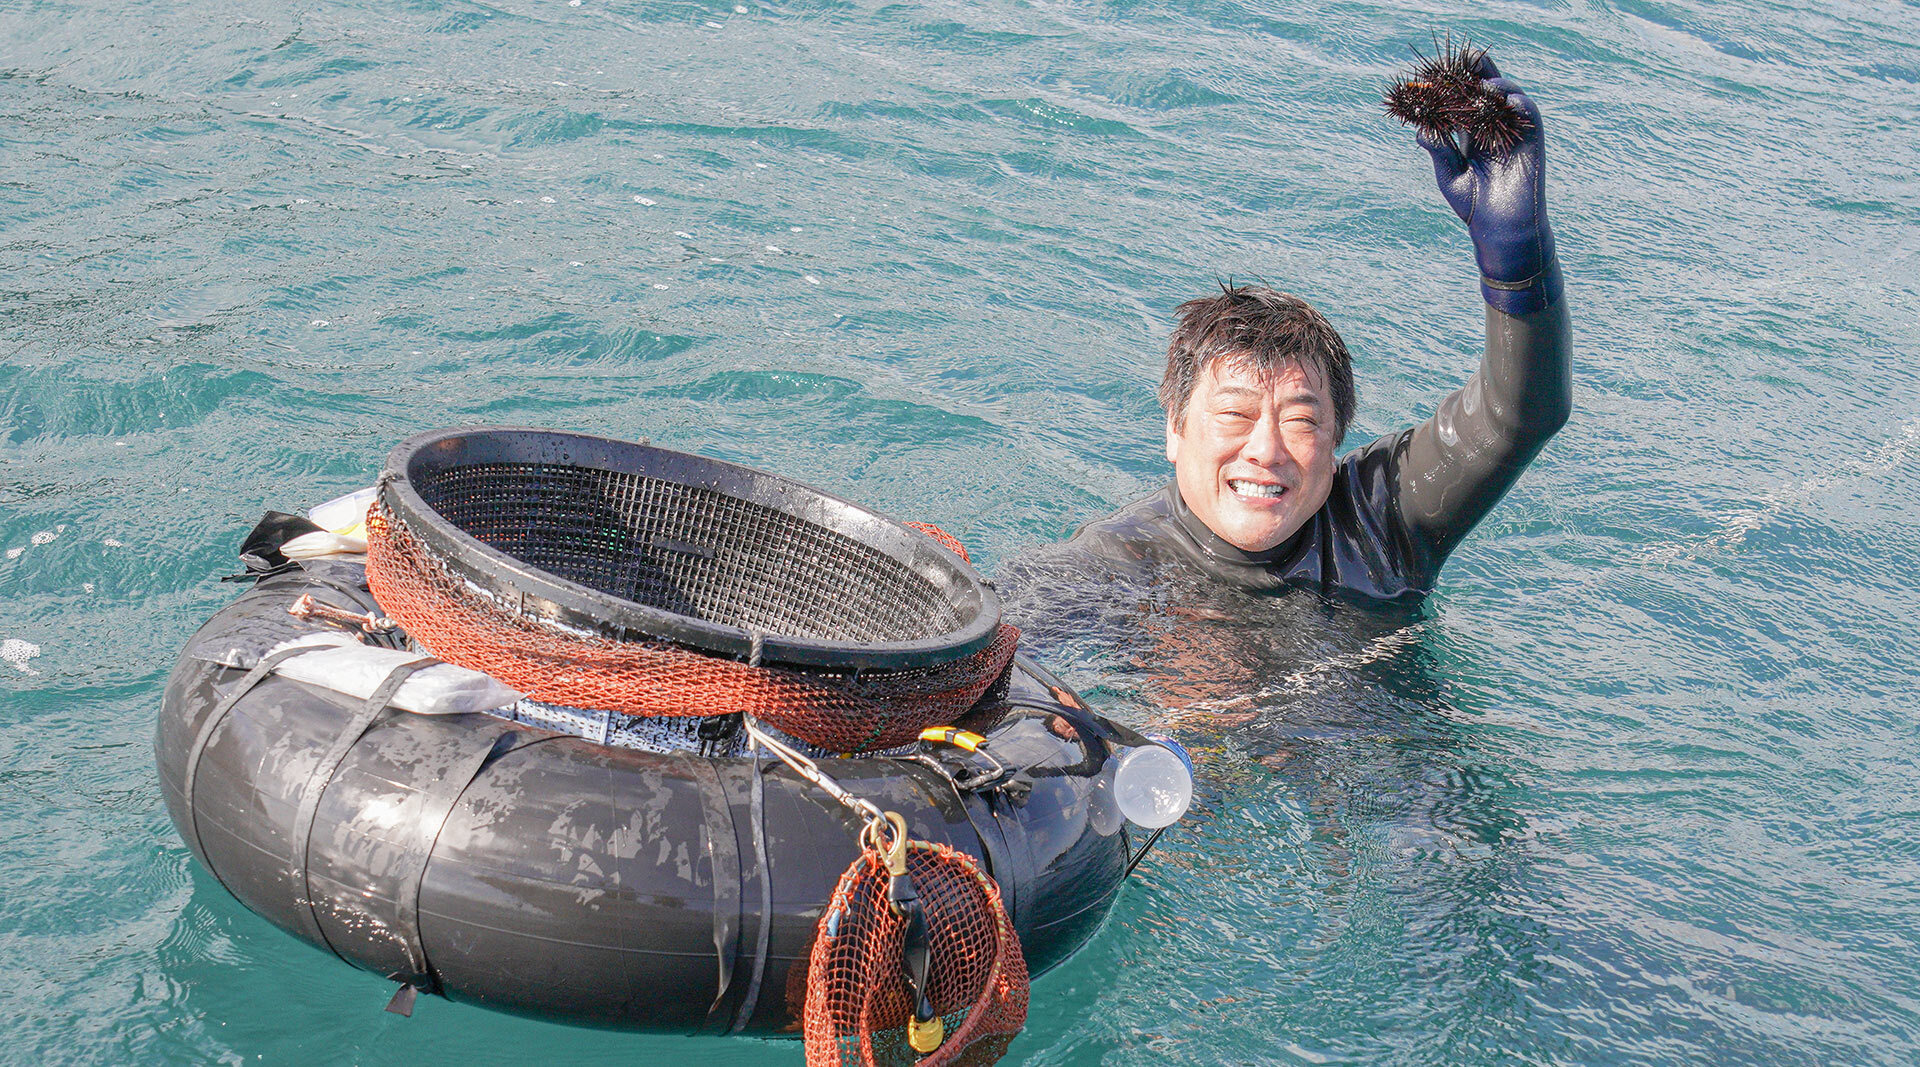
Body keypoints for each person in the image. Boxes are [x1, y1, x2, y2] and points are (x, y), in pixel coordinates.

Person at [1027, 57, 1570, 602]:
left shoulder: (1379, 522)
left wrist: (1519, 264)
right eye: (1235, 413)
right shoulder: (1100, 571)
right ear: (1175, 428)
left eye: (1302, 421)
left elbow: (1520, 414)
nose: (1266, 450)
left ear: (1336, 443)